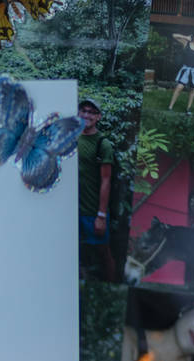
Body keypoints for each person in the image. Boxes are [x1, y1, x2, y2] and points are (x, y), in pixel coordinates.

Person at [77, 98, 118, 282]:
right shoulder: (71, 137)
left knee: (103, 253)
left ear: (99, 117)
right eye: (83, 111)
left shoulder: (103, 144)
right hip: (71, 210)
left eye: (92, 112)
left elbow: (106, 180)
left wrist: (101, 216)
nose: (86, 115)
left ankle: (112, 284)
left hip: (92, 211)